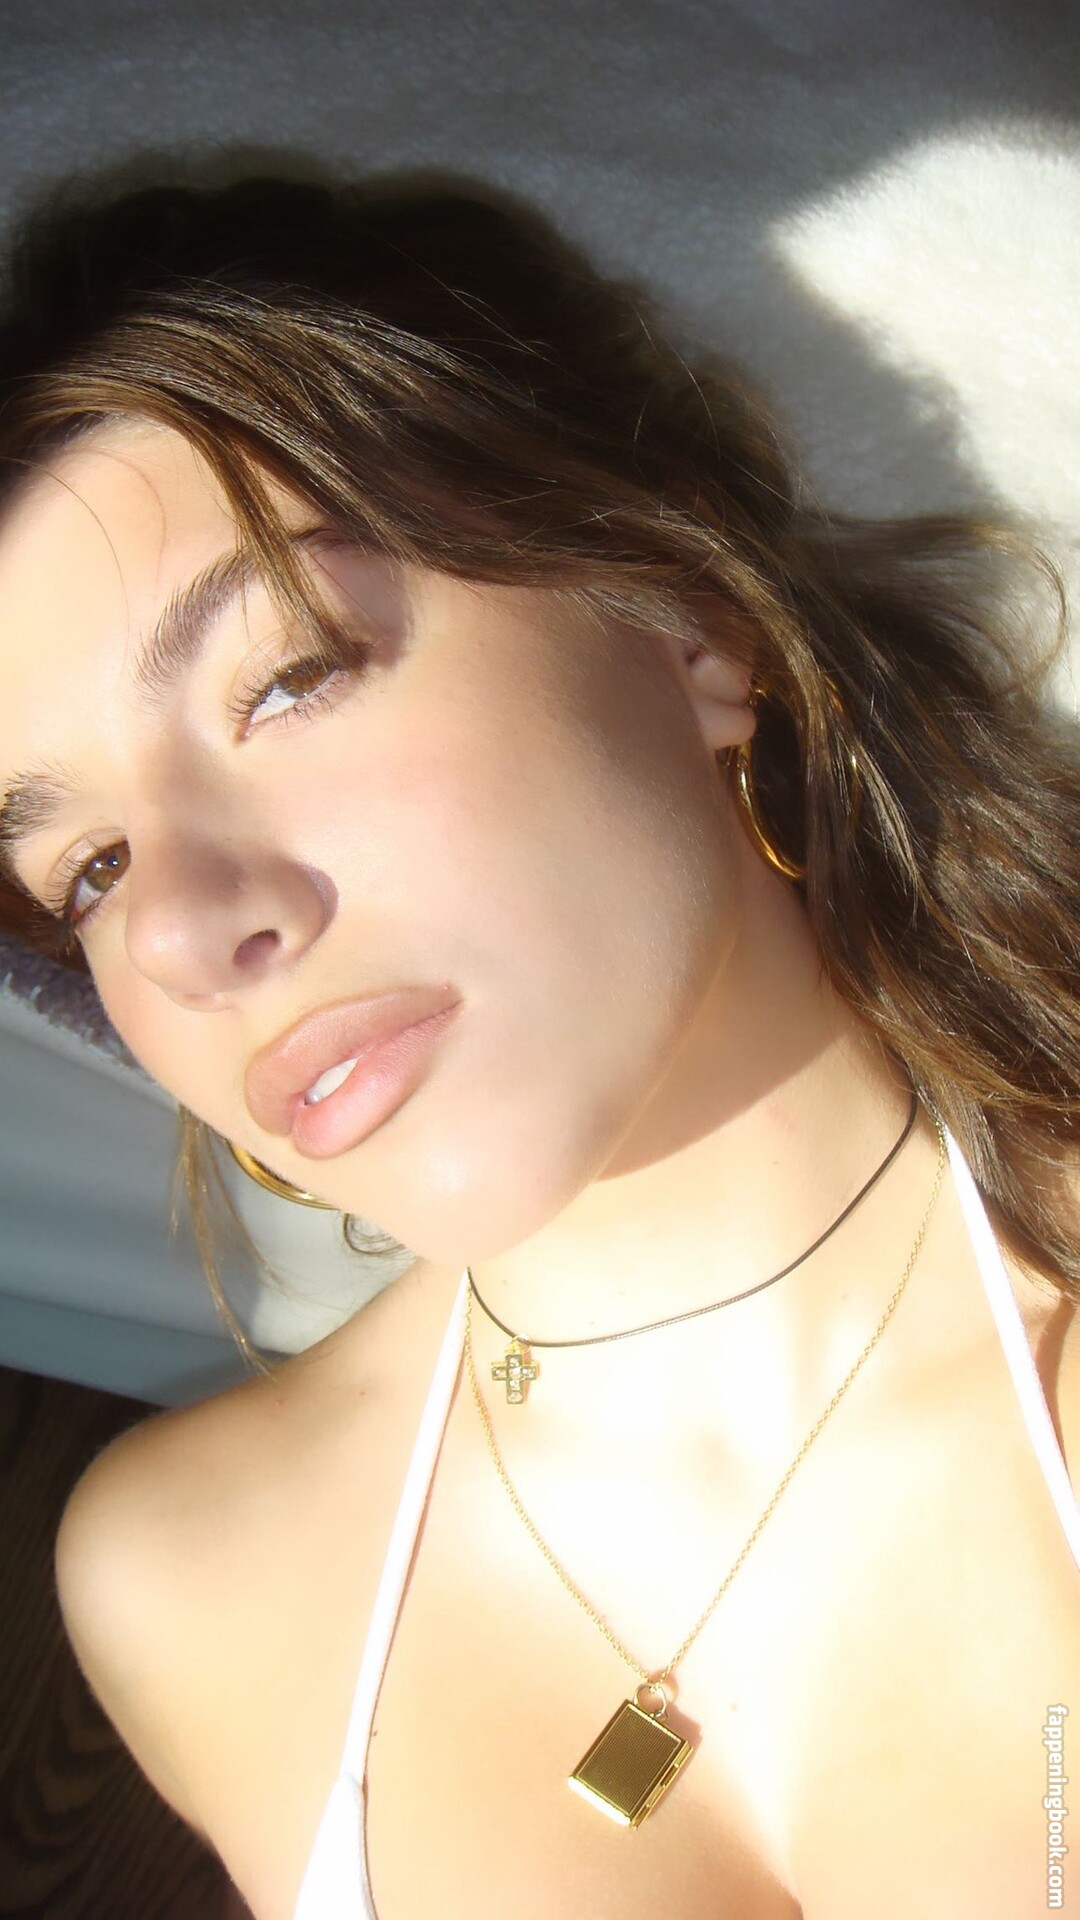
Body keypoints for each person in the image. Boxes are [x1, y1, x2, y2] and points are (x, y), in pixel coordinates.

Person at [0, 173, 1077, 1920]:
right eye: (90, 869)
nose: (181, 931)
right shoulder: (188, 1583)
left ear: (688, 625)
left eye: (288, 677)